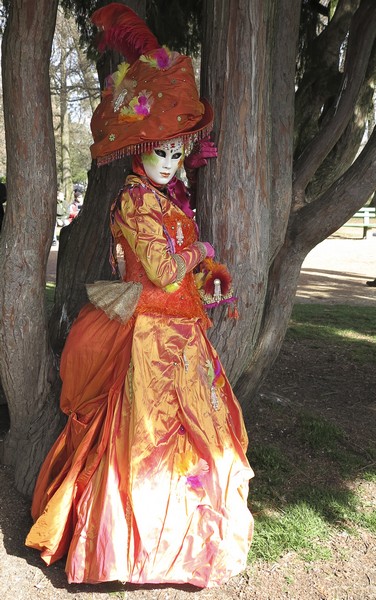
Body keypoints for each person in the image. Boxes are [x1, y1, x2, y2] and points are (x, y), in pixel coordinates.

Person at [25, 4, 254, 588]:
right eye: (162, 151)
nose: (171, 161)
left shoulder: (169, 201)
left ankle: (188, 545)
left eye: (178, 152)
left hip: (184, 332)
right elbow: (158, 265)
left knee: (198, 433)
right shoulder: (133, 200)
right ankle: (127, 550)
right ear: (138, 148)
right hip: (150, 336)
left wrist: (209, 272)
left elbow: (182, 269)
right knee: (145, 439)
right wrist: (198, 253)